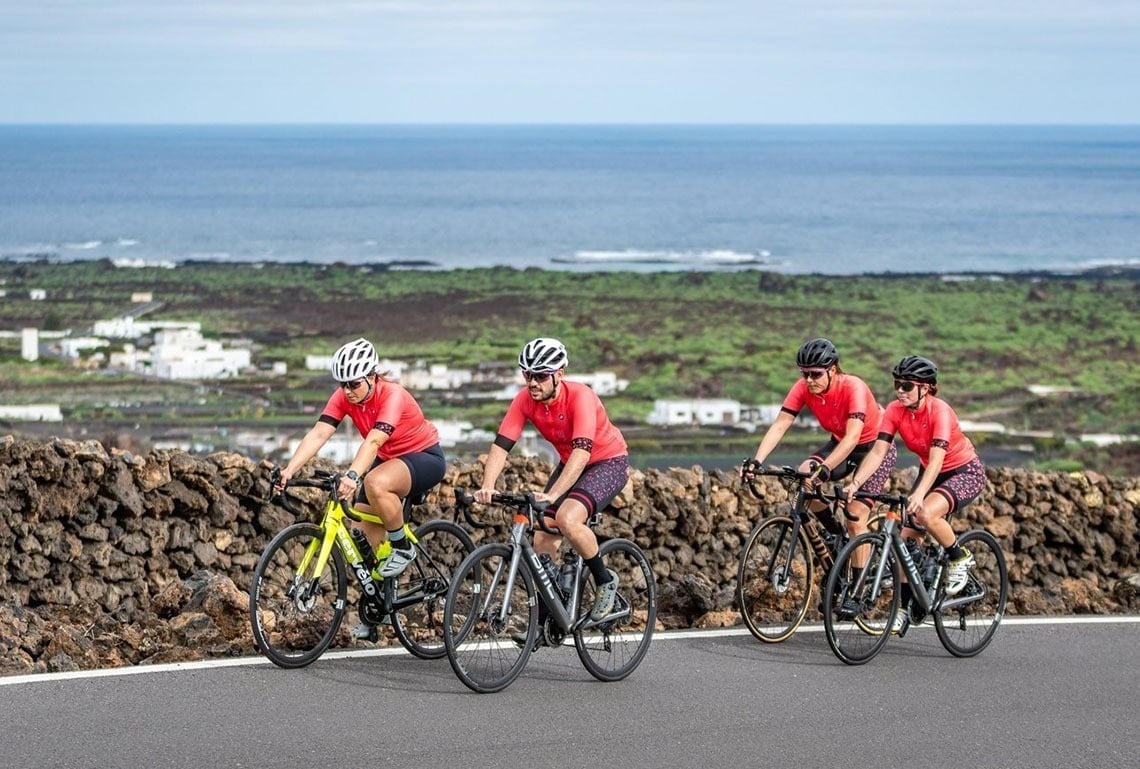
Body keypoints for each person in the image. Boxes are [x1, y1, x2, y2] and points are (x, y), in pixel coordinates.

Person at [273, 337, 447, 639]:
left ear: (372, 377)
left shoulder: (392, 395)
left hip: (424, 457)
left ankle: (403, 548)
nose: (347, 391)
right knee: (362, 540)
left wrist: (353, 475)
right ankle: (379, 608)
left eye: (353, 384)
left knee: (374, 481)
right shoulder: (344, 396)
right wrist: (289, 470)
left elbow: (374, 441)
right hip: (388, 460)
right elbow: (319, 434)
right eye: (342, 385)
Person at [474, 337, 630, 643]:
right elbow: (501, 446)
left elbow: (582, 452)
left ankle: (605, 580)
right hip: (570, 463)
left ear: (559, 374)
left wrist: (553, 494)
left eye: (540, 376)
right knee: (543, 535)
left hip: (606, 462)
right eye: (527, 375)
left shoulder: (581, 397)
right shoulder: (525, 400)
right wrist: (488, 485)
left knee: (567, 518)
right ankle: (548, 623)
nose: (532, 382)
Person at [842, 355, 986, 635]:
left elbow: (937, 460)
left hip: (963, 471)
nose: (900, 390)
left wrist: (919, 495)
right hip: (930, 471)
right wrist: (857, 483)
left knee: (925, 513)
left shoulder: (940, 411)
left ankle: (959, 557)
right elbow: (879, 452)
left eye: (907, 385)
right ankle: (905, 609)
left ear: (926, 388)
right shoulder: (895, 410)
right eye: (897, 384)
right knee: (905, 542)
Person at [743, 337, 897, 556]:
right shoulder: (803, 388)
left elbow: (853, 437)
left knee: (855, 516)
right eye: (804, 373)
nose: (809, 380)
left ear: (832, 370)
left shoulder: (853, 387)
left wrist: (825, 468)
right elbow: (781, 424)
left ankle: (858, 578)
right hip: (840, 443)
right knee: (805, 475)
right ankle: (835, 534)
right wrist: (757, 461)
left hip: (875, 447)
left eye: (815, 374)